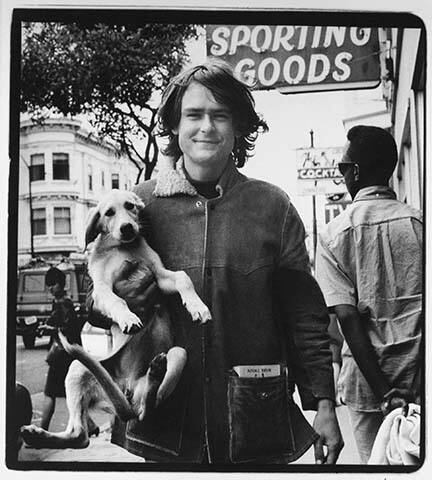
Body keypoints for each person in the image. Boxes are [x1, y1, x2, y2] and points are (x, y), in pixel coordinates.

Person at [88, 60, 343, 465]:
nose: (206, 126)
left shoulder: (272, 207)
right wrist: (121, 298)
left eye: (220, 115)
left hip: (253, 424)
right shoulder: (137, 207)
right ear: (174, 124)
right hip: (160, 427)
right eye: (193, 114)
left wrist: (324, 403)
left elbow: (304, 314)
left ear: (238, 126)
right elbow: (97, 302)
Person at [315, 125, 423, 464]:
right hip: (421, 378)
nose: (342, 175)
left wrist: (384, 392)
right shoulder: (421, 224)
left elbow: (347, 317)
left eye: (343, 168)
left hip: (367, 388)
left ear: (356, 172)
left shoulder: (334, 235)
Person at [41, 266, 99, 436]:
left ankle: (41, 430)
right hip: (66, 354)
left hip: (61, 355)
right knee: (70, 394)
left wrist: (50, 328)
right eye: (48, 285)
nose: (50, 288)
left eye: (53, 284)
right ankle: (92, 425)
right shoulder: (60, 302)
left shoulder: (63, 303)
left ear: (61, 284)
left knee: (49, 393)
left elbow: (67, 327)